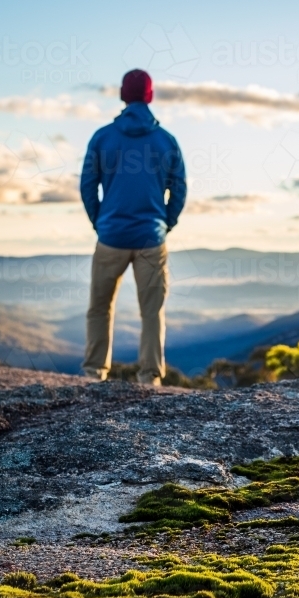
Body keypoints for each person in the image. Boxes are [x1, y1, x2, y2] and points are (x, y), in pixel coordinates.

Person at [80, 69, 186, 386]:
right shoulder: (166, 141)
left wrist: (99, 222)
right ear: (150, 96)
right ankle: (150, 377)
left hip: (110, 237)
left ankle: (94, 373)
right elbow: (178, 189)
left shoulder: (102, 137)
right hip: (151, 240)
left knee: (99, 308)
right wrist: (166, 222)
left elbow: (88, 185)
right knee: (152, 312)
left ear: (123, 95)